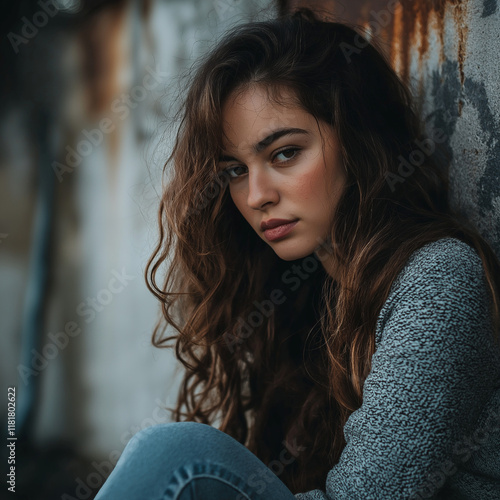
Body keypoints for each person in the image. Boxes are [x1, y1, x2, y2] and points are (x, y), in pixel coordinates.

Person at [95, 7, 500, 500]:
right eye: (234, 171)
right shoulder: (304, 297)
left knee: (177, 457)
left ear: (357, 140)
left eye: (284, 152)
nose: (255, 195)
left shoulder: (439, 278)